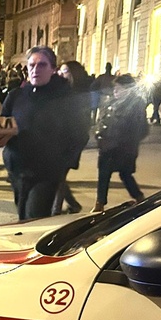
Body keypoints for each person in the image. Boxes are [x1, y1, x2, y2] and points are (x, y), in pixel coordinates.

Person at [0, 46, 88, 220]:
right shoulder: (16, 96)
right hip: (18, 169)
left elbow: (80, 134)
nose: (35, 70)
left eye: (42, 65)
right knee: (22, 215)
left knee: (34, 217)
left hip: (46, 172)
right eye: (31, 65)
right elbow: (3, 124)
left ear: (53, 69)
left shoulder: (66, 99)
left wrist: (64, 162)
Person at [92, 74, 149, 212]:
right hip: (107, 146)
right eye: (115, 88)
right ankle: (100, 203)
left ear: (128, 89)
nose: (115, 91)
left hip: (124, 148)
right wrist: (99, 133)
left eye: (118, 88)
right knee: (104, 173)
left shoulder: (136, 104)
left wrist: (127, 141)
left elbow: (142, 129)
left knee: (125, 173)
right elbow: (102, 120)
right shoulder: (111, 102)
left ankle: (139, 197)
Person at [51, 60, 91, 215]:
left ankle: (56, 211)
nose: (61, 73)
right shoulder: (62, 90)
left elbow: (81, 124)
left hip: (70, 143)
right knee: (57, 176)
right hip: (58, 142)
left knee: (58, 176)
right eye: (60, 70)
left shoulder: (79, 94)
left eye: (65, 70)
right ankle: (73, 205)